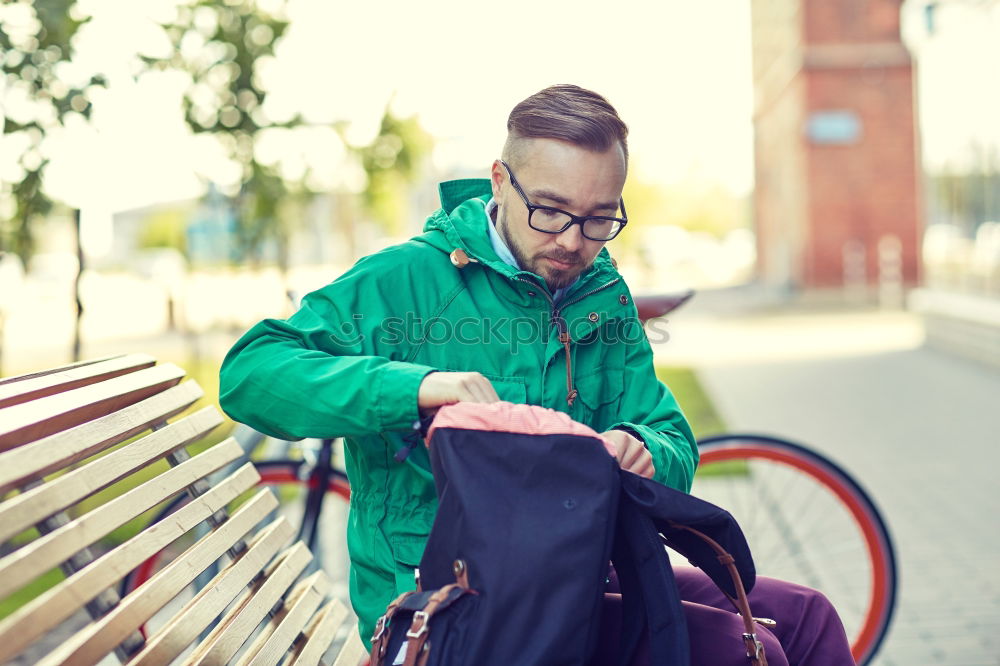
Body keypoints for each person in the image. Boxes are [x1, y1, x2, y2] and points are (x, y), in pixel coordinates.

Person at [220, 85, 854, 665]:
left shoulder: (600, 291)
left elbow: (670, 432)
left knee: (806, 619)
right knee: (750, 650)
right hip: (448, 607)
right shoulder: (405, 281)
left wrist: (646, 449)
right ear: (500, 182)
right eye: (551, 211)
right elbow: (249, 373)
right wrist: (411, 389)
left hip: (578, 576)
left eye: (600, 218)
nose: (574, 242)